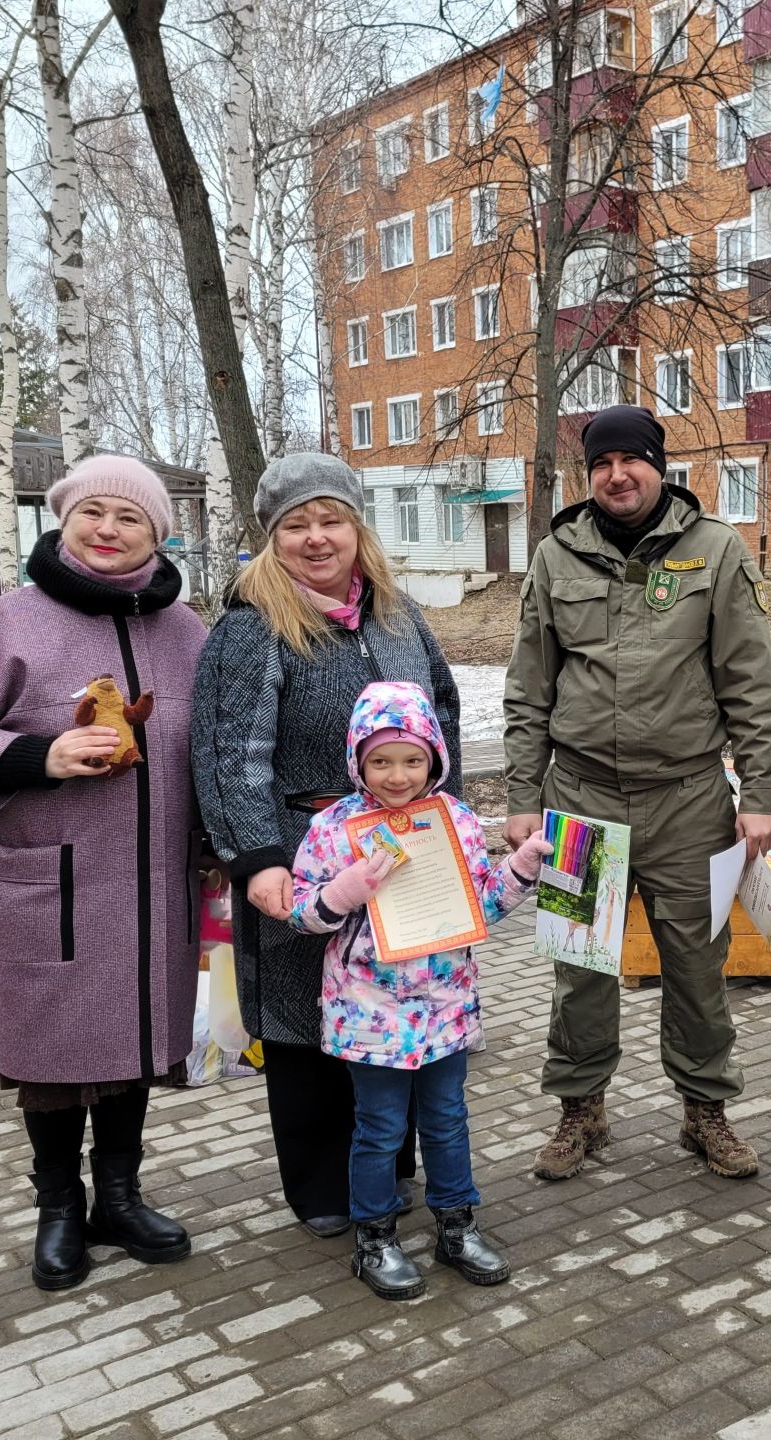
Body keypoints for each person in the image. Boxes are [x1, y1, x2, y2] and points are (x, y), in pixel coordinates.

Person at [0, 455, 209, 1291]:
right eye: (94, 513)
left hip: (153, 884)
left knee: (135, 1037)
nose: (109, 530)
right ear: (65, 519)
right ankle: (59, 1207)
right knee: (51, 1051)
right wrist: (36, 755)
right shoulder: (7, 622)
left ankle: (119, 1195)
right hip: (47, 881)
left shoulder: (186, 632)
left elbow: (215, 743)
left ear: (159, 534)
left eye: (131, 518)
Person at [504, 405, 771, 1181]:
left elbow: (751, 686)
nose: (616, 475)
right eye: (601, 464)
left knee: (697, 968)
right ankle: (579, 1112)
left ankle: (706, 1112)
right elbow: (529, 689)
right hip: (580, 797)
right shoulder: (557, 556)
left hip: (688, 800)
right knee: (579, 971)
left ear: (660, 466)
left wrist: (757, 789)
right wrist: (523, 795)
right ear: (586, 475)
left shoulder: (715, 551)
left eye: (631, 460)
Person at [192, 453, 461, 1239]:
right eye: (296, 525)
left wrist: (448, 828)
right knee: (307, 1022)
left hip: (400, 854)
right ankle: (324, 1190)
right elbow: (228, 750)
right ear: (272, 538)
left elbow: (438, 715)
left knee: (394, 1008)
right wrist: (256, 858)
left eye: (330, 519)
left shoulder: (398, 616)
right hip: (301, 856)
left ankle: (389, 1169)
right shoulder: (254, 627)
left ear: (356, 527)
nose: (316, 538)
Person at [290, 681, 551, 1299]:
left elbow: (481, 906)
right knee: (379, 1128)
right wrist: (340, 893)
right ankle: (374, 1238)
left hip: (444, 1005)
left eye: (412, 760)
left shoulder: (452, 820)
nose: (398, 775)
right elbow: (302, 913)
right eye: (380, 760)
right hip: (369, 1011)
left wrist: (519, 870)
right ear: (357, 760)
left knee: (447, 1120)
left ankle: (456, 1225)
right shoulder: (334, 828)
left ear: (435, 756)